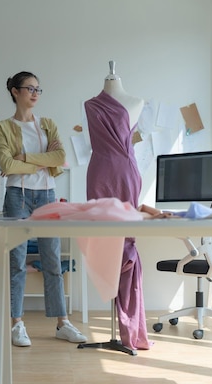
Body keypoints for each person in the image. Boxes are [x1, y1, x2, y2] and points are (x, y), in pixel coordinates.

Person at [0, 71, 87, 347]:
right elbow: (7, 165)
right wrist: (40, 162)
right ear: (15, 91)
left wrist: (25, 157)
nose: (35, 93)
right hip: (17, 197)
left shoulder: (47, 125)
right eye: (29, 88)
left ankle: (62, 322)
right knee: (17, 262)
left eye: (38, 89)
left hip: (47, 195)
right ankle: (17, 324)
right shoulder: (3, 127)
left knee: (52, 260)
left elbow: (60, 158)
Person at [83, 62, 150, 351]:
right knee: (103, 241)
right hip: (100, 173)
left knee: (126, 242)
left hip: (124, 172)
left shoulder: (137, 102)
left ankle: (128, 326)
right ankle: (118, 322)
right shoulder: (90, 104)